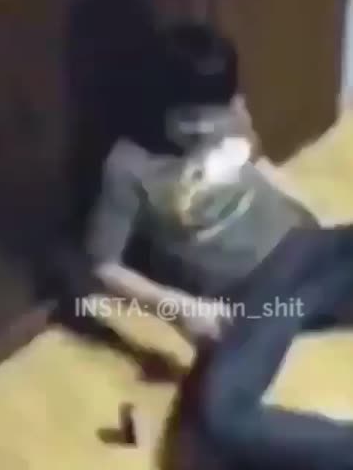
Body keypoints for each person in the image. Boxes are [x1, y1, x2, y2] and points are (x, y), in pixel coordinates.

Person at [86, 21, 318, 342]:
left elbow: (258, 162)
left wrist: (307, 205)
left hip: (303, 241)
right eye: (187, 118)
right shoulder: (129, 165)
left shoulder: (233, 110)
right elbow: (103, 266)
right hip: (247, 293)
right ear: (158, 106)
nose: (204, 129)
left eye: (215, 114)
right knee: (239, 362)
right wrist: (179, 307)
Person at [166, 214, 353, 470]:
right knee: (218, 422)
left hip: (299, 252)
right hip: (263, 292)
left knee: (216, 426)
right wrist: (172, 305)